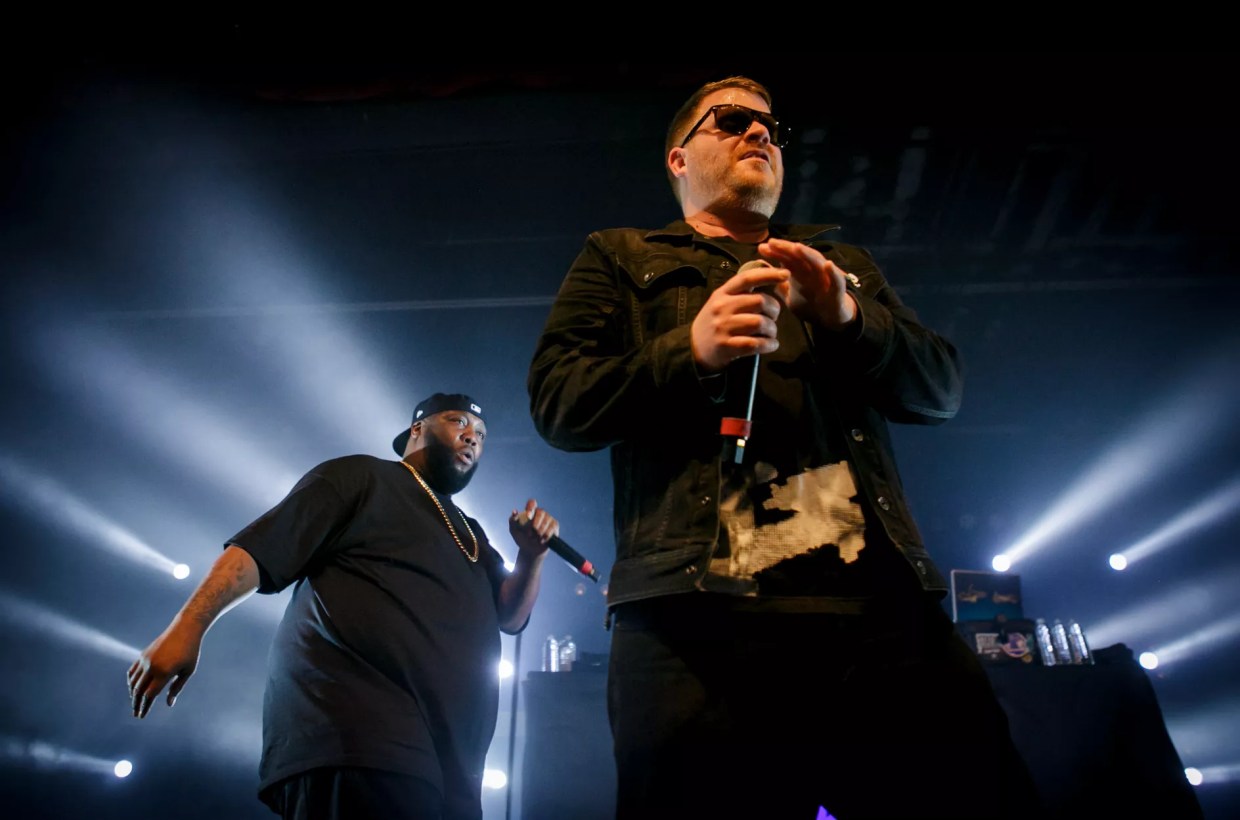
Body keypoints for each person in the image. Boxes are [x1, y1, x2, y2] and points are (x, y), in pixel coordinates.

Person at [527, 77, 1041, 819]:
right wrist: (688, 350)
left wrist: (851, 317)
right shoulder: (620, 256)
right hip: (697, 619)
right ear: (678, 158)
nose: (761, 134)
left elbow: (941, 390)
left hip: (881, 611)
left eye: (771, 127)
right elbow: (558, 403)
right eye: (732, 120)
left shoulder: (843, 264)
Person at [127, 392, 558, 820]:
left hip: (449, 772)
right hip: (358, 742)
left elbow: (510, 615)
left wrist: (532, 555)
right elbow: (260, 550)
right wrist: (188, 627)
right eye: (458, 422)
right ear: (417, 428)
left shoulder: (470, 532)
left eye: (481, 433)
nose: (472, 437)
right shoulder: (361, 477)